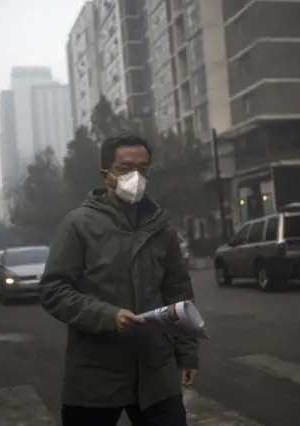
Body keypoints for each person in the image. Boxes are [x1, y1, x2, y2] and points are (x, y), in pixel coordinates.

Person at [40, 134, 199, 426]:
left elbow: (179, 293)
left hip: (156, 372)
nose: (136, 177)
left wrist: (188, 354)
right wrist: (108, 316)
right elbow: (54, 291)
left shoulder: (161, 226)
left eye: (144, 168)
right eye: (126, 168)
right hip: (95, 376)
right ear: (106, 175)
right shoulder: (78, 224)